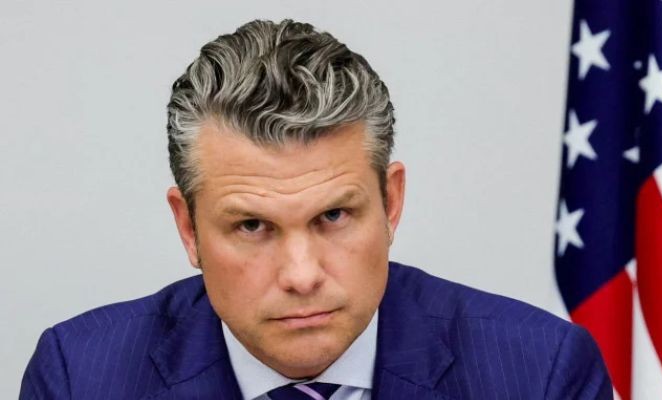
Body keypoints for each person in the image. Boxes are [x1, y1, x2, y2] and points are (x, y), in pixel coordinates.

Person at [20, 19, 612, 399]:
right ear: (188, 228)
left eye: (333, 217)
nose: (302, 276)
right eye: (252, 225)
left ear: (391, 202)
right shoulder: (80, 378)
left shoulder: (539, 373)